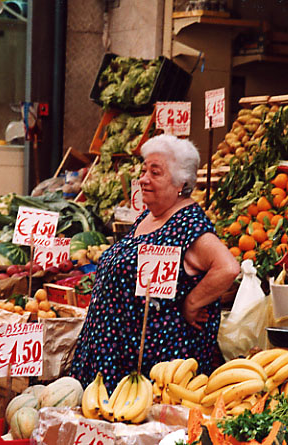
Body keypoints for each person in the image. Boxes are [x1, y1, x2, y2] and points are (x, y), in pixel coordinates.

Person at [70, 134, 240, 389]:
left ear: (181, 183)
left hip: (148, 365)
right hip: (112, 353)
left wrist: (192, 303)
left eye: (155, 172)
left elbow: (228, 267)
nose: (143, 179)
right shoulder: (150, 216)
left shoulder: (188, 223)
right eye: (144, 169)